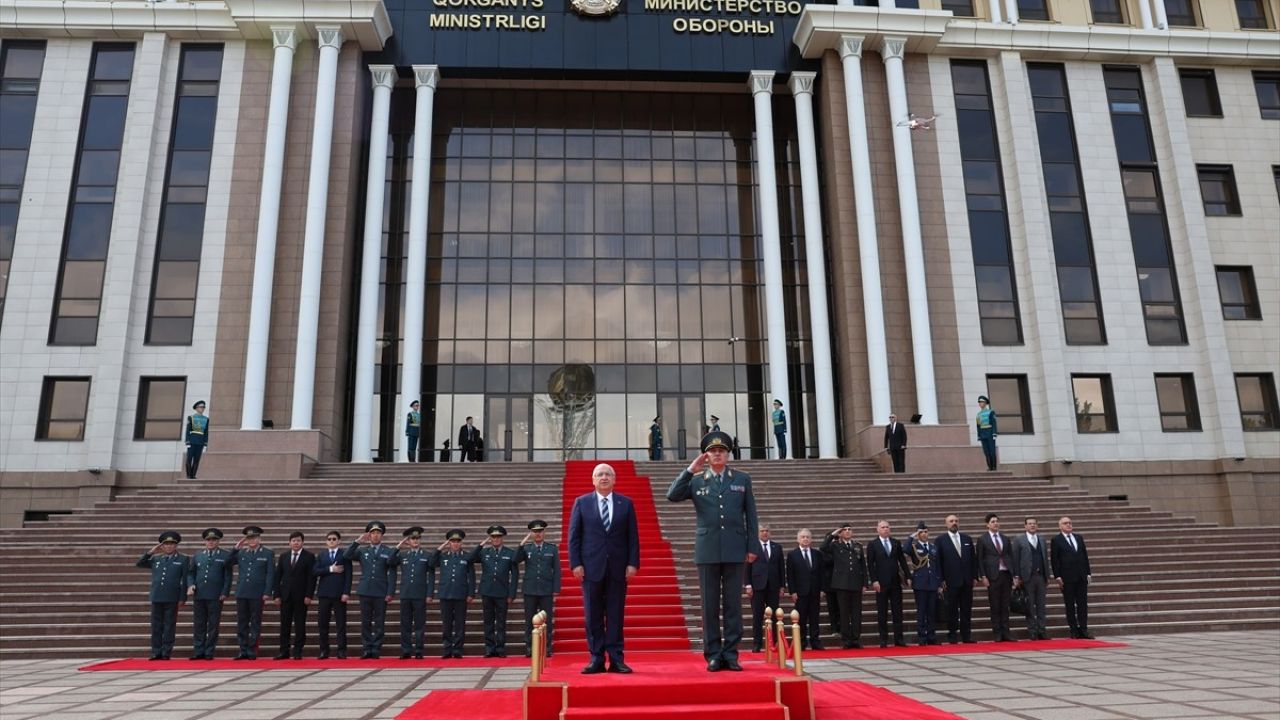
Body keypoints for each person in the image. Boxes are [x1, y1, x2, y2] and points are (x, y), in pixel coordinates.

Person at [666, 431, 759, 672]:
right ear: (706, 456)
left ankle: (731, 653)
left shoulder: (741, 479)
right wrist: (689, 469)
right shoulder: (697, 481)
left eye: (722, 451)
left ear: (728, 455)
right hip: (707, 550)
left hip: (735, 548)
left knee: (732, 605)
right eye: (712, 451)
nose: (717, 454)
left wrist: (752, 546)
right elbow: (672, 495)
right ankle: (713, 654)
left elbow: (751, 515)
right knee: (709, 605)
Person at [569, 463, 639, 674]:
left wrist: (633, 563)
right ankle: (596, 658)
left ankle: (617, 658)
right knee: (593, 615)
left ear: (614, 479)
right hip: (591, 567)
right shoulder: (581, 503)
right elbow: (574, 537)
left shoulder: (626, 503)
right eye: (599, 474)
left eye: (608, 474)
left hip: (618, 567)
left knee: (616, 614)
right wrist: (576, 563)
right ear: (593, 480)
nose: (604, 477)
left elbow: (632, 537)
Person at [344, 521, 398, 659]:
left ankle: (376, 648)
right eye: (373, 533)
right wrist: (357, 542)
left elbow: (392, 573)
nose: (375, 536)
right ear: (369, 535)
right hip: (365, 590)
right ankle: (367, 648)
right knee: (365, 621)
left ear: (382, 535)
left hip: (381, 591)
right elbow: (346, 556)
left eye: (378, 533)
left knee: (379, 622)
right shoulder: (363, 550)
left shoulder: (388, 551)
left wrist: (390, 592)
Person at [136, 531, 189, 660]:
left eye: (172, 544)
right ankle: (156, 651)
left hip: (172, 597)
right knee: (156, 626)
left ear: (176, 546)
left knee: (169, 625)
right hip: (157, 596)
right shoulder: (156, 558)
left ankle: (166, 652)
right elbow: (140, 563)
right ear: (162, 546)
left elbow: (185, 579)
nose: (169, 546)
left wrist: (183, 598)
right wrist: (151, 552)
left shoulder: (183, 559)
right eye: (166, 544)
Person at [470, 524, 520, 658]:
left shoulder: (509, 553)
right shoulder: (484, 552)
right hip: (487, 591)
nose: (496, 539)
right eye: (493, 537)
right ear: (490, 538)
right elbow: (470, 559)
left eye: (498, 537)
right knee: (488, 621)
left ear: (502, 538)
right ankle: (489, 648)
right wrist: (480, 545)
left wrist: (512, 593)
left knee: (501, 622)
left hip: (502, 592)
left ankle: (501, 648)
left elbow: (515, 575)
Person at [516, 519, 561, 658]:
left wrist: (556, 588)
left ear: (544, 532)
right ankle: (530, 647)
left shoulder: (551, 548)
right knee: (530, 620)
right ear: (531, 533)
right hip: (530, 589)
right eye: (535, 532)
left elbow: (557, 570)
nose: (538, 534)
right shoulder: (527, 548)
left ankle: (546, 647)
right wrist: (520, 545)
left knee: (546, 620)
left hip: (546, 589)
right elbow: (515, 560)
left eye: (540, 531)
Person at [187, 527, 233, 660]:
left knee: (213, 624)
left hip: (216, 595)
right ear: (205, 542)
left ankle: (209, 651)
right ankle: (198, 650)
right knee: (199, 624)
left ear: (218, 541)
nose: (211, 542)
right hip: (199, 594)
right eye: (208, 540)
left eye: (214, 540)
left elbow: (228, 576)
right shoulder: (198, 555)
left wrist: (225, 592)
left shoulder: (225, 555)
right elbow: (191, 572)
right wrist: (191, 584)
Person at [229, 526, 275, 660]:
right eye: (249, 538)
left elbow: (270, 574)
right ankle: (242, 650)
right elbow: (228, 563)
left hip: (258, 593)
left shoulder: (267, 553)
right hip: (242, 592)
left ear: (259, 538)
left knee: (255, 622)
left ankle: (252, 649)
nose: (252, 540)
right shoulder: (242, 553)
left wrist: (267, 591)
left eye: (254, 537)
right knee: (242, 622)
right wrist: (235, 549)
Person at [820, 523, 869, 649]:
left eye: (849, 529)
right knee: (844, 613)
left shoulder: (857, 546)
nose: (847, 531)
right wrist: (833, 534)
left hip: (856, 583)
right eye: (845, 530)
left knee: (856, 613)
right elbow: (823, 547)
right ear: (841, 533)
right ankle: (846, 639)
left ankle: (856, 638)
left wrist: (865, 583)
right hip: (842, 584)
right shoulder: (836, 545)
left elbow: (862, 565)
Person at [865, 520, 910, 648]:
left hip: (895, 582)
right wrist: (874, 580)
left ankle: (899, 639)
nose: (885, 529)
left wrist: (908, 576)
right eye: (883, 527)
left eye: (887, 527)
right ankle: (883, 639)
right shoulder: (873, 545)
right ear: (877, 529)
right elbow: (870, 564)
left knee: (897, 611)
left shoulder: (895, 542)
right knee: (882, 612)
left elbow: (902, 561)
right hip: (881, 583)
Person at [390, 526, 433, 659]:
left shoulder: (426, 555)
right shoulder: (402, 555)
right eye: (412, 538)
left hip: (420, 594)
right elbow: (390, 561)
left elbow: (431, 576)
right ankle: (406, 650)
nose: (415, 541)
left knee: (420, 624)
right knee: (405, 623)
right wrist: (398, 547)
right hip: (406, 594)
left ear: (420, 540)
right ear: (408, 541)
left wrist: (430, 594)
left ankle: (419, 650)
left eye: (417, 538)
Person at [432, 529, 475, 658]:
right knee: (447, 623)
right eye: (453, 541)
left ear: (461, 543)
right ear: (449, 543)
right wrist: (440, 549)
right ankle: (447, 648)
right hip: (445, 594)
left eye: (458, 541)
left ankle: (457, 649)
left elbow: (471, 576)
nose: (455, 544)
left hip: (461, 594)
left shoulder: (466, 556)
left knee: (460, 623)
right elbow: (431, 563)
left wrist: (471, 593)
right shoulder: (443, 556)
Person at [273, 531, 316, 659]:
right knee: (284, 625)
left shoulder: (309, 556)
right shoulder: (284, 556)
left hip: (301, 597)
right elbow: (277, 576)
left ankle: (297, 651)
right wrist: (276, 595)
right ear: (289, 542)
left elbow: (311, 578)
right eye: (293, 540)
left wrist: (309, 595)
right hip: (285, 596)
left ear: (302, 542)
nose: (296, 543)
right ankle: (284, 651)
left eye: (298, 540)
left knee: (300, 624)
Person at [936, 514, 978, 644]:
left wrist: (974, 576)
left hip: (966, 580)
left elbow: (973, 559)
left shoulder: (967, 538)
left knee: (966, 609)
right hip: (950, 581)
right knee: (952, 609)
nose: (954, 523)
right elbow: (938, 562)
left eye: (956, 521)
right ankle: (952, 635)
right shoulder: (940, 540)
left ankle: (966, 635)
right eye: (951, 521)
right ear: (946, 524)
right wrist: (941, 580)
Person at [1050, 516, 1093, 639]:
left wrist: (1088, 573)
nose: (1068, 525)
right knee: (1070, 605)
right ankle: (1073, 630)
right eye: (1065, 523)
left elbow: (1084, 556)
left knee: (1082, 604)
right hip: (1067, 578)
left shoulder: (1078, 538)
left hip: (1081, 576)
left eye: (1070, 523)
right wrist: (1057, 576)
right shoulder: (1056, 540)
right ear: (1060, 526)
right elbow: (1055, 560)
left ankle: (1084, 629)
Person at [975, 513, 1015, 642]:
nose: (995, 523)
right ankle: (997, 632)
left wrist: (1014, 574)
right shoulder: (983, 539)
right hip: (992, 576)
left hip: (1006, 574)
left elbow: (1010, 556)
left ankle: (1006, 632)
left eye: (997, 521)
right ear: (987, 524)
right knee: (995, 605)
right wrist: (983, 576)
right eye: (993, 521)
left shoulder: (1005, 538)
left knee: (1005, 605)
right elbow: (980, 559)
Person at [313, 530, 352, 659]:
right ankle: (324, 650)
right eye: (329, 539)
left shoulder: (344, 555)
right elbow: (315, 571)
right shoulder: (321, 555)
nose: (331, 541)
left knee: (341, 624)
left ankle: (341, 650)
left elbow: (348, 575)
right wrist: (330, 569)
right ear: (326, 541)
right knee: (323, 624)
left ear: (339, 541)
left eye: (334, 539)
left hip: (339, 594)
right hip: (324, 594)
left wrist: (346, 592)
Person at [783, 529, 824, 651]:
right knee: (801, 618)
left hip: (815, 591)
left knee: (814, 618)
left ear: (811, 539)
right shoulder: (792, 555)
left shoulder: (817, 554)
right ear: (798, 539)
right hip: (800, 592)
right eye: (803, 537)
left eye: (807, 537)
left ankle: (815, 641)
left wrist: (822, 588)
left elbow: (821, 573)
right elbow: (790, 574)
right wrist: (792, 591)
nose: (805, 539)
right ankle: (801, 642)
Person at [746, 524, 784, 652]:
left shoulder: (777, 547)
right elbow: (747, 567)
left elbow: (781, 568)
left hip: (773, 586)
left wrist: (782, 586)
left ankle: (774, 641)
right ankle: (757, 643)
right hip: (757, 586)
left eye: (767, 531)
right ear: (758, 533)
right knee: (757, 615)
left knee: (774, 615)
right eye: (762, 531)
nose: (765, 533)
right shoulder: (752, 547)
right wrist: (748, 585)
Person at [1012, 516, 1051, 641]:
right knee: (1029, 606)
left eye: (1034, 524)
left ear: (1037, 526)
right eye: (1029, 524)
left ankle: (1042, 630)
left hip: (1040, 577)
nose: (1032, 525)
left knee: (1041, 605)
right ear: (1025, 526)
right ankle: (1032, 631)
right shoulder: (1019, 540)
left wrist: (1047, 575)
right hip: (1026, 578)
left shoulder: (1042, 539)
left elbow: (1045, 558)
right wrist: (1017, 576)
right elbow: (1015, 559)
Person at [905, 522, 941, 646]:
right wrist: (911, 537)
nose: (924, 534)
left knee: (931, 611)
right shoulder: (914, 547)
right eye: (921, 532)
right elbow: (905, 549)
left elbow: (937, 566)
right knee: (921, 611)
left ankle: (931, 636)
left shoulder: (933, 547)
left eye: (926, 532)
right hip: (920, 583)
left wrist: (939, 583)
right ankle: (922, 637)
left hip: (932, 583)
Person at [184, 400, 209, 479]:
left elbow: (206, 432)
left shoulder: (206, 419)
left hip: (200, 441)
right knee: (189, 458)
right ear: (196, 408)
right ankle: (188, 475)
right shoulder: (191, 417)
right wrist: (187, 441)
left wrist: (205, 443)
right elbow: (188, 430)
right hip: (192, 440)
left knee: (197, 460)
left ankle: (193, 475)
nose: (202, 409)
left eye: (203, 407)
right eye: (201, 407)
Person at [975, 396, 998, 471]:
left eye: (981, 402)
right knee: (986, 451)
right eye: (979, 402)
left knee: (992, 450)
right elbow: (978, 426)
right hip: (982, 433)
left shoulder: (991, 412)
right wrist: (979, 435)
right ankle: (989, 466)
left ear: (985, 403)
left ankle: (994, 467)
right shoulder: (978, 414)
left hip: (990, 432)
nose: (980, 404)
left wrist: (994, 433)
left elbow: (994, 423)